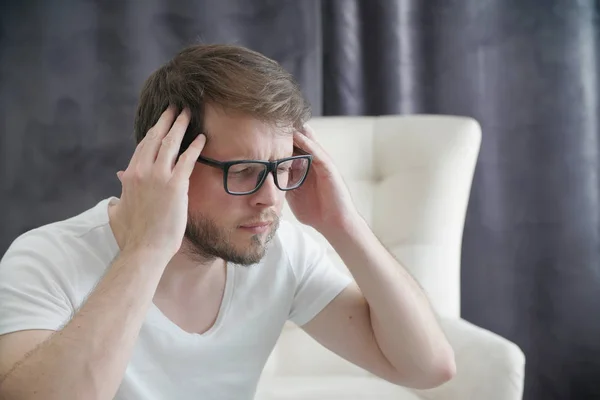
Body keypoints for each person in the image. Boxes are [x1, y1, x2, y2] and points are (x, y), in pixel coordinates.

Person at [0, 44, 455, 400]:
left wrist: (344, 224)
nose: (270, 198)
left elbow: (429, 367)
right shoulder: (45, 259)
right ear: (164, 163)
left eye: (282, 169)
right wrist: (147, 249)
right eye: (242, 171)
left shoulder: (283, 252)